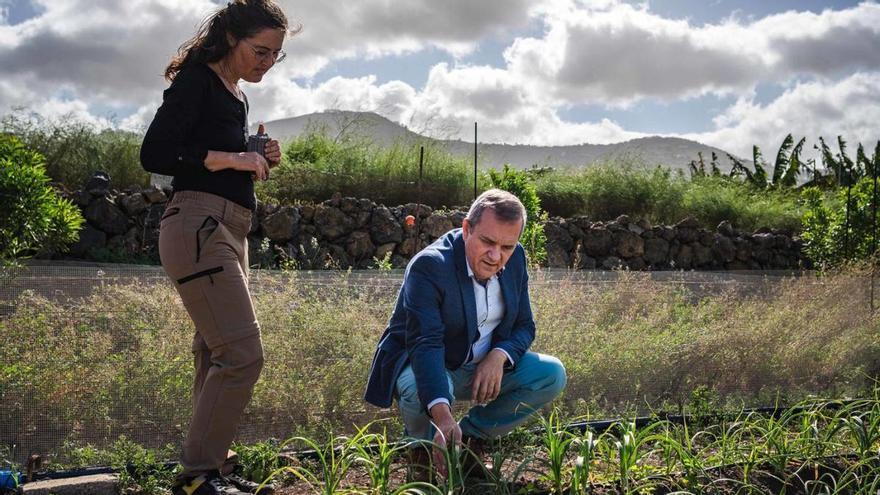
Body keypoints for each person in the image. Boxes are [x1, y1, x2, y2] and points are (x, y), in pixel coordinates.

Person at [140, 1, 295, 494]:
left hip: (231, 228)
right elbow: (157, 153)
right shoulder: (196, 81)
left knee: (215, 353)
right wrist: (235, 156)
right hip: (197, 223)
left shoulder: (236, 96)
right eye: (260, 50)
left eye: (277, 55)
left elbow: (218, 151)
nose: (267, 62)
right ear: (231, 38)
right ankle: (196, 476)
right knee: (243, 354)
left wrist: (257, 150)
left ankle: (214, 471)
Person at [364, 189, 567, 481]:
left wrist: (498, 356)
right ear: (467, 229)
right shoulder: (430, 266)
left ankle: (471, 440)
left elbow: (525, 325)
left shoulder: (516, 259)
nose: (496, 256)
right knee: (411, 384)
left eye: (507, 246)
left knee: (551, 374)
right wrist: (444, 419)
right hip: (435, 366)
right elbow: (426, 343)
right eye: (487, 241)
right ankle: (421, 455)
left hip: (482, 369)